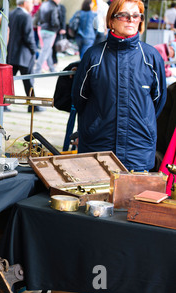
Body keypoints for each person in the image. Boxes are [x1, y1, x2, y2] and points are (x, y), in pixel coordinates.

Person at [71, 0, 167, 172]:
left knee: (132, 198)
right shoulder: (94, 56)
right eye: (124, 15)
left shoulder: (151, 57)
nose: (131, 20)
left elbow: (158, 101)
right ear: (111, 21)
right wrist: (96, 122)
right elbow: (79, 98)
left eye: (136, 15)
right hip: (99, 145)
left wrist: (142, 122)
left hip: (137, 148)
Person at [7, 0, 37, 97]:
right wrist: (34, 50)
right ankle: (32, 104)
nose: (32, 5)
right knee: (28, 81)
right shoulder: (26, 16)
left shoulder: (11, 14)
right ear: (25, 3)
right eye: (31, 3)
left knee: (8, 82)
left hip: (12, 53)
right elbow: (29, 37)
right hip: (24, 54)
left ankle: (3, 104)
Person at [33, 0, 64, 74]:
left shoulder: (44, 4)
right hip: (50, 31)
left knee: (48, 49)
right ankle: (37, 69)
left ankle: (51, 68)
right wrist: (57, 28)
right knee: (45, 50)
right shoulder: (54, 6)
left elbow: (37, 17)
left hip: (42, 29)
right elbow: (55, 21)